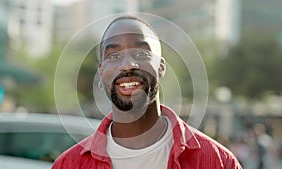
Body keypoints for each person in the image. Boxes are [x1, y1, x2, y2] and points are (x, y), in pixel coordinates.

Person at [52, 15, 242, 169]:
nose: (127, 65)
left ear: (161, 68)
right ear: (101, 73)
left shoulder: (219, 162)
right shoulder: (68, 165)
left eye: (142, 54)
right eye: (114, 55)